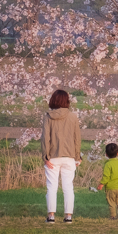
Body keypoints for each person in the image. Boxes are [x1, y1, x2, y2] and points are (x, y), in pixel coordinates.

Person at [42, 89, 82, 223]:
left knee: (51, 187)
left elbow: (45, 138)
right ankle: (68, 216)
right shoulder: (73, 117)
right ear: (67, 101)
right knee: (68, 187)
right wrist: (77, 157)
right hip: (69, 157)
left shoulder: (48, 116)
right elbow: (77, 138)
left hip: (53, 156)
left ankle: (51, 216)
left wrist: (45, 157)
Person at [97, 142, 118, 220]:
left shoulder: (108, 165)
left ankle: (113, 216)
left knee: (111, 202)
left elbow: (106, 176)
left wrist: (101, 184)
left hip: (111, 188)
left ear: (106, 154)